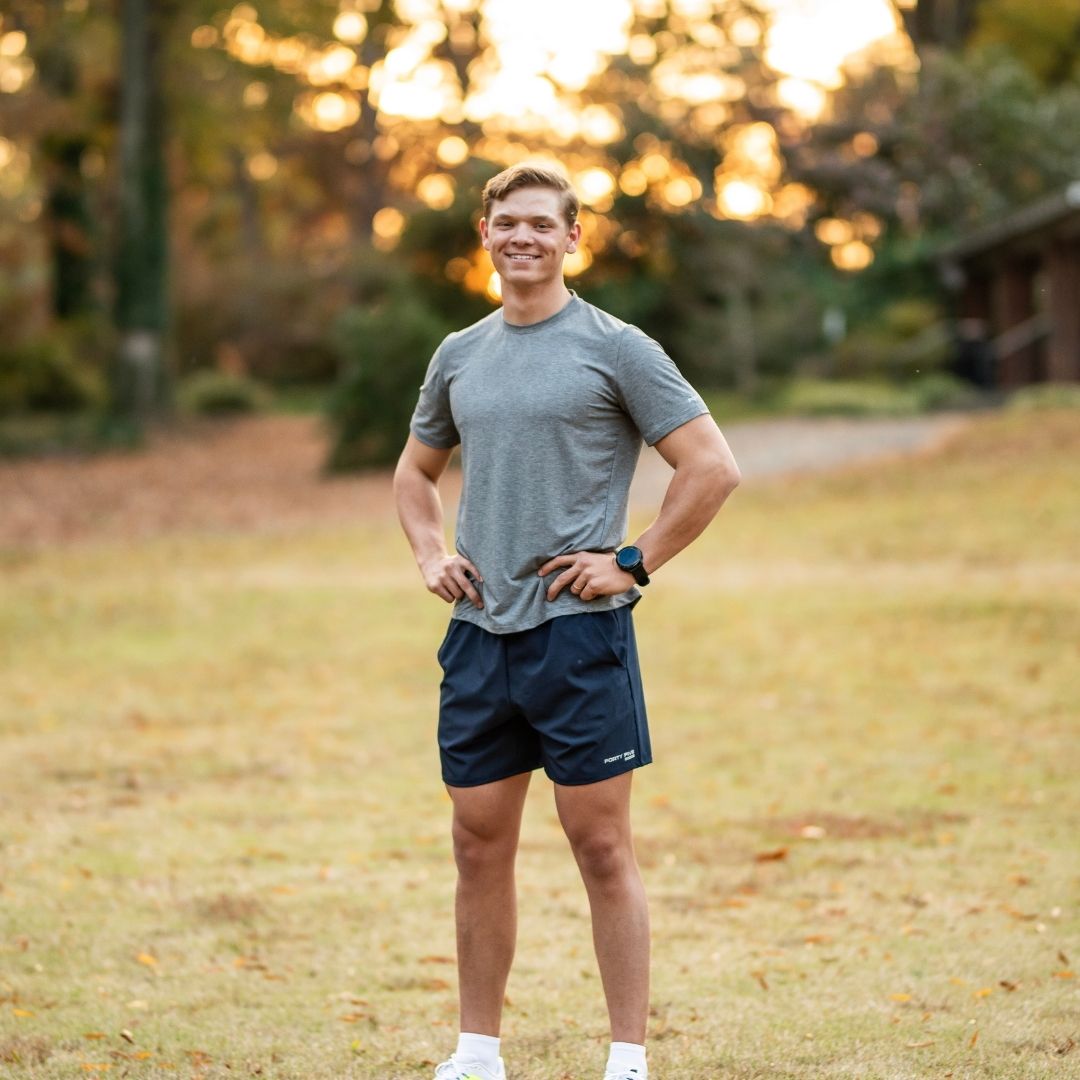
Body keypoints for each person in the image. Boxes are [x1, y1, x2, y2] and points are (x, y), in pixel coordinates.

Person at [394, 162, 741, 1080]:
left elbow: (711, 467)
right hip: (478, 637)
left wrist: (630, 560)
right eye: (508, 222)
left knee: (599, 844)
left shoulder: (618, 347)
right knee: (476, 842)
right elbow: (413, 473)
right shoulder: (459, 354)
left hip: (578, 637)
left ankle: (627, 1057)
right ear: (485, 234)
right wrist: (432, 554)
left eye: (542, 224)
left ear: (572, 238)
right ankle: (477, 1053)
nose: (524, 238)